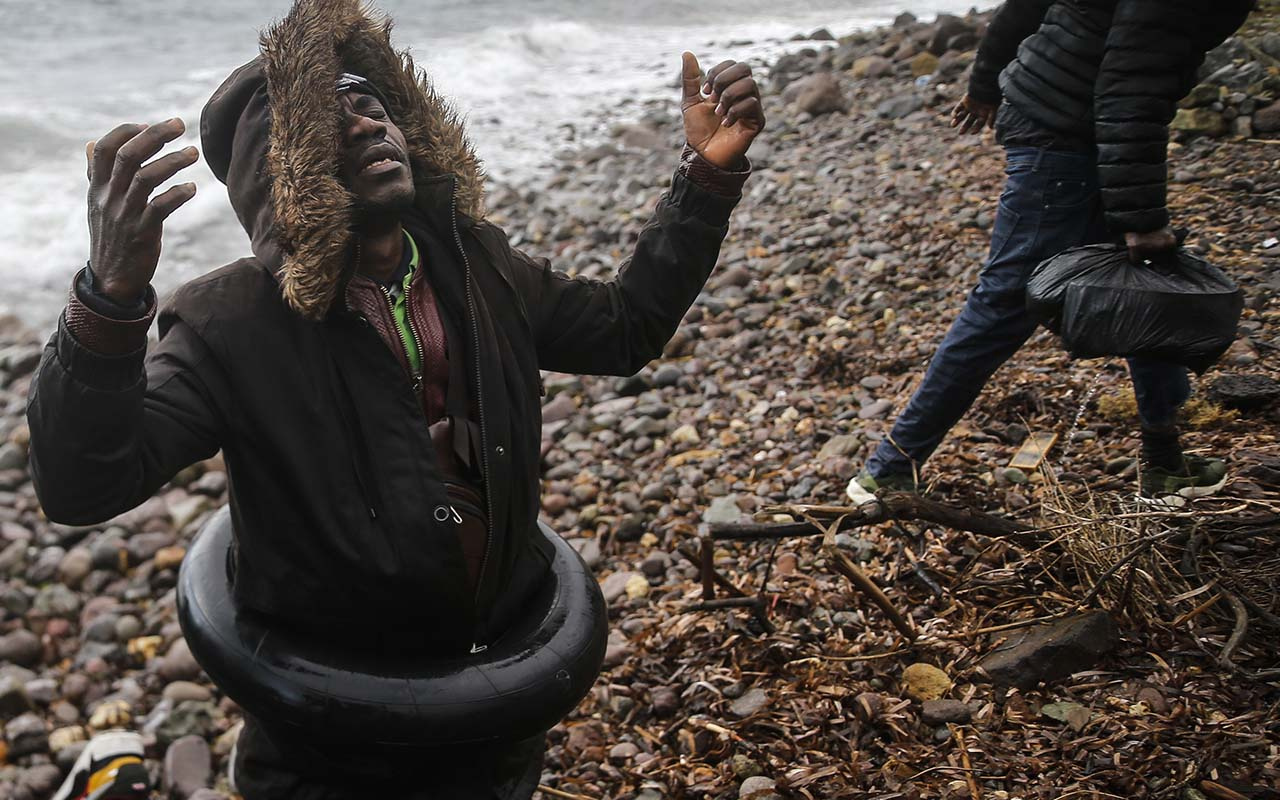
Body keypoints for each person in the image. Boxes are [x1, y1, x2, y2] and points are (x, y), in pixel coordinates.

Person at [30, 0, 764, 797]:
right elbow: (82, 486)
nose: (370, 127)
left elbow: (625, 331)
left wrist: (708, 177)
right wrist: (107, 300)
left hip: (497, 699)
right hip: (326, 741)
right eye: (330, 123)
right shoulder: (224, 325)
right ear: (280, 173)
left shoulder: (479, 264)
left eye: (373, 107)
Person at [846, 0, 1254, 508]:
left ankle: (1166, 465)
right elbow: (1129, 86)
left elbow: (1025, 7)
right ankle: (887, 471)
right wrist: (1141, 220)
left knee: (1149, 289)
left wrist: (985, 83)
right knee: (1005, 304)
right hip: (1067, 132)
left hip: (1076, 123)